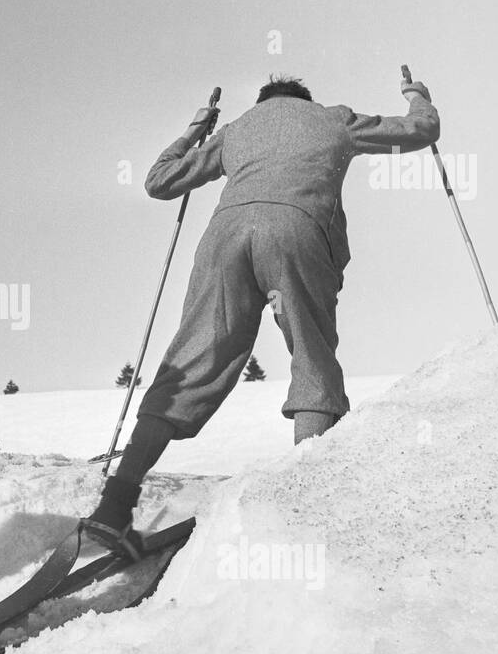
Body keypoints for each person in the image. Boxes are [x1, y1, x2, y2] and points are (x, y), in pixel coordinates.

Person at [85, 72, 439, 555]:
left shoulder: (237, 130)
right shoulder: (334, 120)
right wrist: (417, 96)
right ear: (303, 100)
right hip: (297, 230)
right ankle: (308, 505)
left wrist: (196, 128)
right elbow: (420, 132)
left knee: (190, 363)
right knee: (311, 356)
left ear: (262, 103)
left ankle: (115, 505)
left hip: (223, 239)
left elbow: (159, 182)